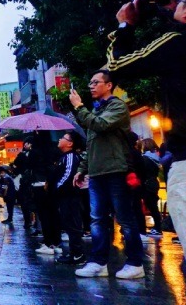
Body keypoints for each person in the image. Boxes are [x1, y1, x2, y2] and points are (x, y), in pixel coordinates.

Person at [107, 0, 186, 300]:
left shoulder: (178, 44)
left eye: (181, 1)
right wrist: (175, 9)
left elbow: (118, 64)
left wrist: (125, 25)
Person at [71, 70, 144, 279]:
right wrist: (81, 169)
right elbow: (91, 145)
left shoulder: (117, 106)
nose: (91, 86)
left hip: (116, 170)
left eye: (96, 82)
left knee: (125, 219)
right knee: (97, 220)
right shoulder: (96, 110)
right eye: (90, 82)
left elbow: (100, 125)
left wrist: (79, 106)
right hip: (96, 174)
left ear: (109, 85)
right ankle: (98, 262)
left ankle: (136, 263)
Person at [53, 131, 85, 265]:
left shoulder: (71, 157)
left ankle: (77, 254)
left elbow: (68, 175)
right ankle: (74, 253)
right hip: (66, 196)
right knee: (68, 223)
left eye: (63, 138)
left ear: (70, 144)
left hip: (70, 196)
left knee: (72, 224)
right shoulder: (64, 157)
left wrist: (57, 187)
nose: (59, 139)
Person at [11, 141, 36, 232]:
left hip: (32, 181)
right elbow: (15, 164)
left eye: (28, 143)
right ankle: (28, 221)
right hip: (24, 182)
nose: (26, 145)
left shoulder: (34, 154)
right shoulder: (21, 155)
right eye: (25, 143)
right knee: (25, 203)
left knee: (32, 204)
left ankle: (33, 222)